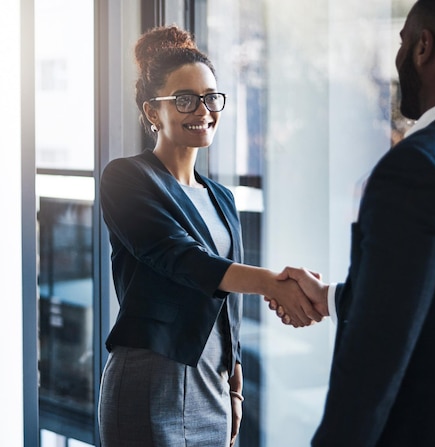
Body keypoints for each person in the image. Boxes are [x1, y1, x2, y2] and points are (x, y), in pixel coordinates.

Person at [270, 0, 435, 445]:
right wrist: (333, 299)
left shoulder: (416, 167)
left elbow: (374, 365)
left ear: (423, 47)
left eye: (400, 44)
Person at [97, 25, 324, 447]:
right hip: (151, 382)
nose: (202, 110)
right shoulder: (127, 178)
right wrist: (274, 283)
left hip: (213, 390)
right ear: (152, 112)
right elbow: (180, 259)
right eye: (184, 100)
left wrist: (235, 387)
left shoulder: (222, 197)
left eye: (210, 97)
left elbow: (226, 305)